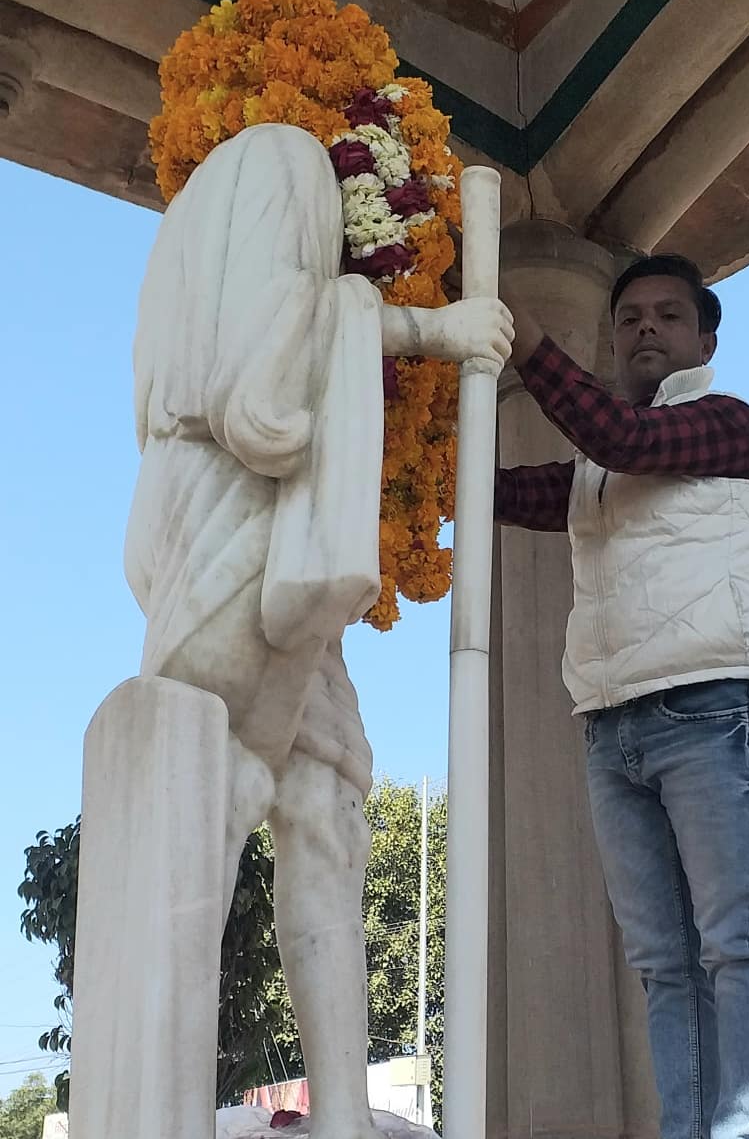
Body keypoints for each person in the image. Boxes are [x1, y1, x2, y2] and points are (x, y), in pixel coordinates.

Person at [125, 123, 513, 1139]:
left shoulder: (182, 229)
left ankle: (336, 1111)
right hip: (242, 522)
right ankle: (164, 1105)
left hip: (220, 524)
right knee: (219, 805)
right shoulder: (280, 161)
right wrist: (432, 330)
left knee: (320, 801)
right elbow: (265, 383)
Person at [496, 254, 749, 1139]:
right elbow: (513, 490)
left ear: (706, 341)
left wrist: (525, 342)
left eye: (668, 314)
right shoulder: (595, 466)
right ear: (613, 340)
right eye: (629, 319)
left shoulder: (732, 425)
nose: (646, 328)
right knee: (664, 964)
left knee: (734, 945)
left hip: (712, 707)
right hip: (609, 723)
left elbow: (629, 441)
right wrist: (420, 458)